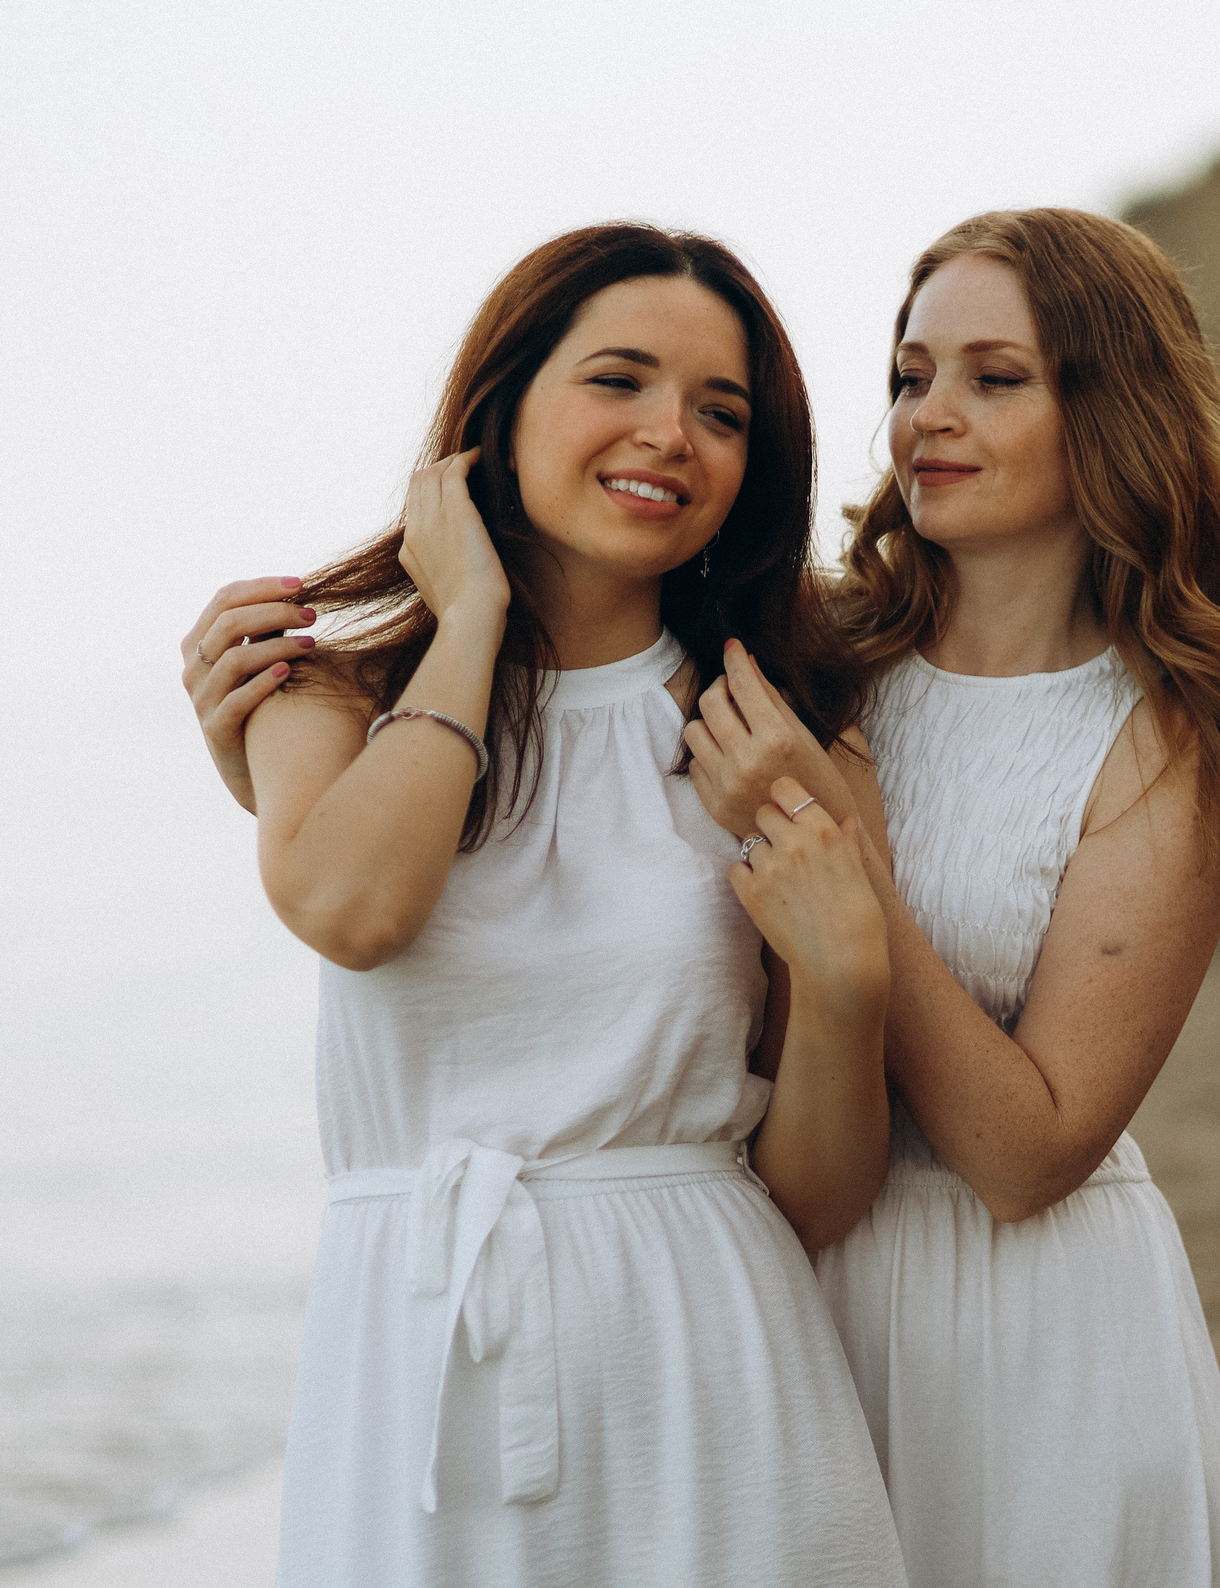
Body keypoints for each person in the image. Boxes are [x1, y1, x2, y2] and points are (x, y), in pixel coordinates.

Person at [187, 208, 1220, 1587]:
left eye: (995, 377)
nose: (929, 420)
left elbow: (1020, 1149)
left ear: (1118, 412)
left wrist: (843, 898)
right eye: (909, 377)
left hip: (990, 1314)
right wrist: (288, 759)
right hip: (742, 1301)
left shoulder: (927, 728)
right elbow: (448, 876)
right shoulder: (821, 662)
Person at [204, 223, 906, 1587]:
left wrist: (847, 988)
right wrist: (465, 621)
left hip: (706, 1373)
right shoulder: (324, 698)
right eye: (619, 381)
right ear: (502, 407)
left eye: (722, 412)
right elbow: (355, 909)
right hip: (420, 1368)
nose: (670, 435)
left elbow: (814, 1198)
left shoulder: (775, 737)